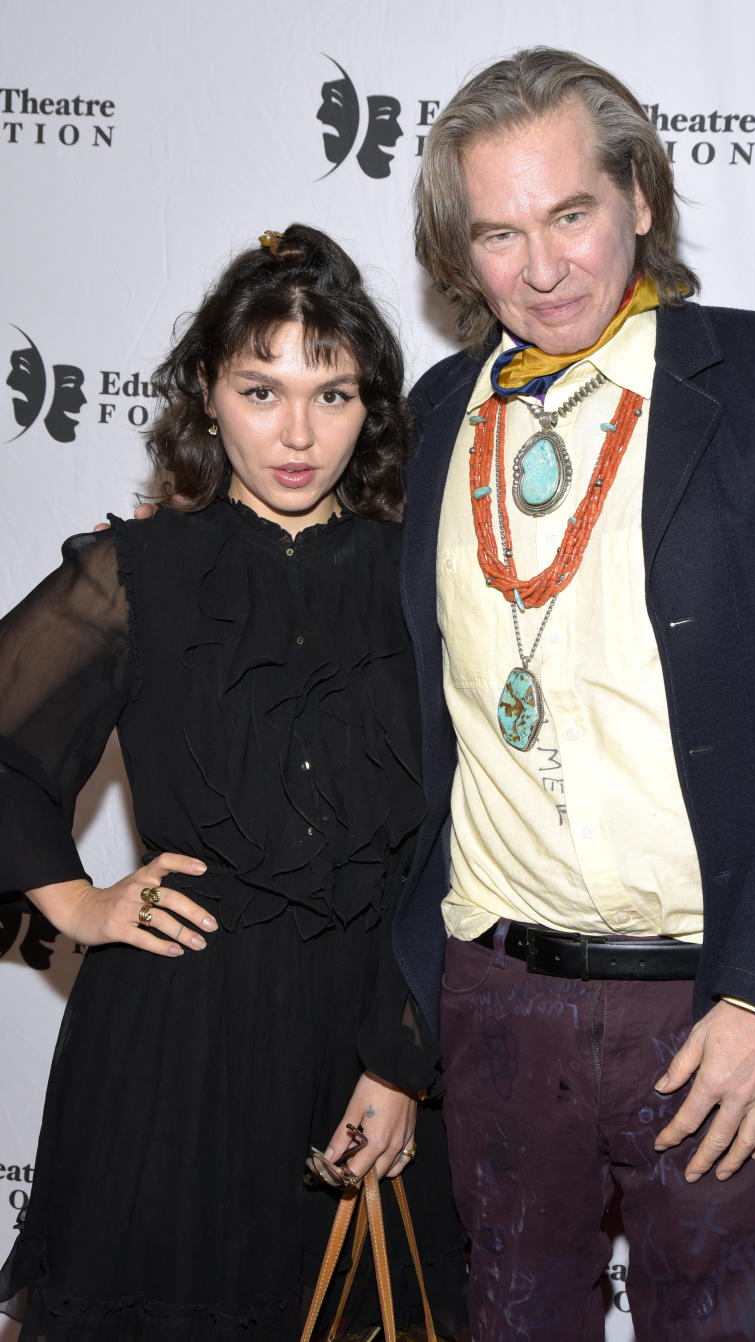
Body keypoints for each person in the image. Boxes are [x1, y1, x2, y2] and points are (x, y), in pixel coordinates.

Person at [389, 48, 755, 1340]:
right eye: (501, 234)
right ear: (464, 253)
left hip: (720, 1008)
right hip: (499, 1003)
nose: (546, 265)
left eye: (571, 213)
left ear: (637, 193)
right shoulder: (438, 411)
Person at [0, 225, 464, 1341]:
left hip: (365, 1041)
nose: (298, 433)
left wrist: (400, 1063)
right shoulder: (138, 570)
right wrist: (78, 901)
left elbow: (461, 842)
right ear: (207, 392)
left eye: (334, 392)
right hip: (174, 1043)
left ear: (375, 406)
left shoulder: (429, 578)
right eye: (262, 389)